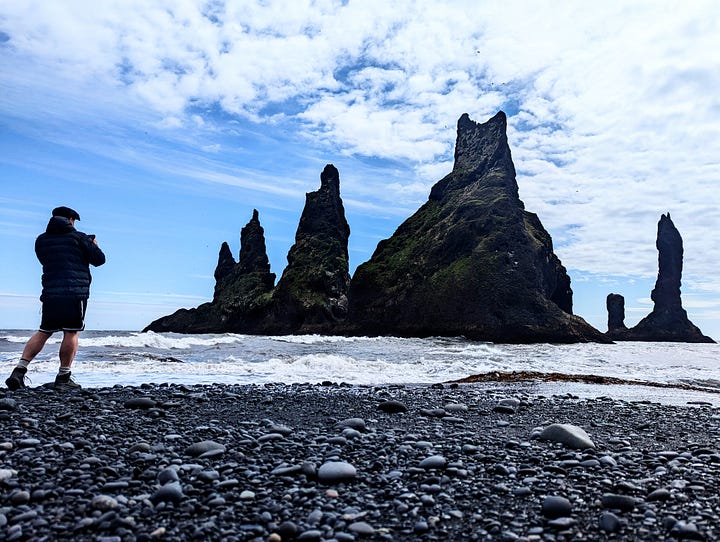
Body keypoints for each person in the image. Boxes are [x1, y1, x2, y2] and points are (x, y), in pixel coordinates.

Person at [5, 206, 106, 391]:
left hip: (50, 293)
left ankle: (18, 371)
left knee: (44, 331)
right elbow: (99, 260)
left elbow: (46, 260)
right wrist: (94, 245)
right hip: (75, 292)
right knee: (71, 331)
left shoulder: (41, 240)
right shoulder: (79, 237)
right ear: (70, 220)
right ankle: (63, 376)